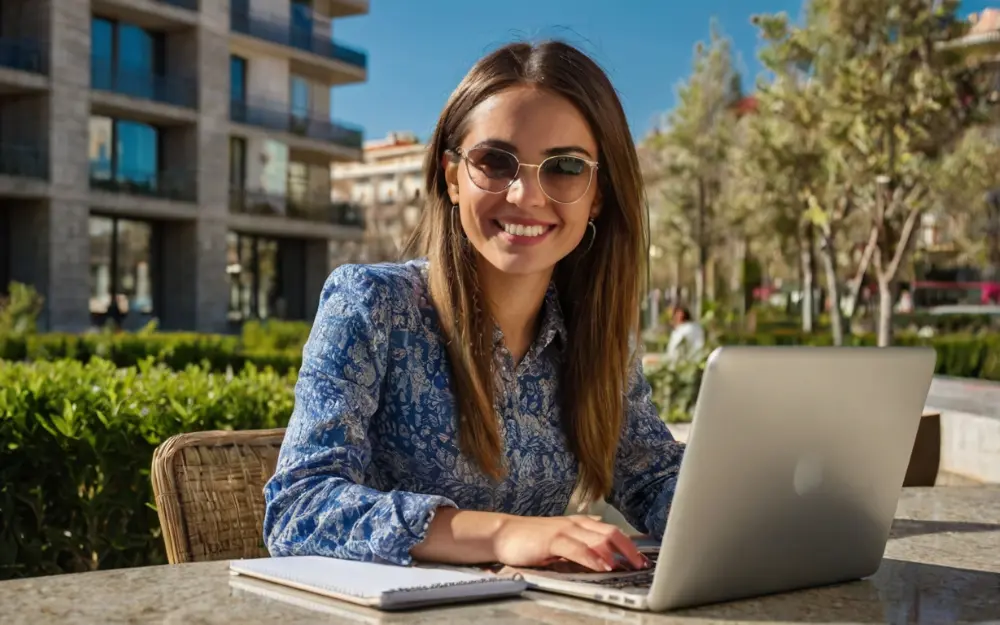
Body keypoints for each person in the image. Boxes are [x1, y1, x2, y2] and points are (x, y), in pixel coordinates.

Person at [263, 40, 685, 574]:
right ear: (451, 176)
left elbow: (652, 478)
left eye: (565, 167)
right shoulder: (371, 305)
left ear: (598, 193)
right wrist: (505, 535)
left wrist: (774, 514)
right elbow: (298, 509)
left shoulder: (593, 335)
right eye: (494, 161)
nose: (525, 195)